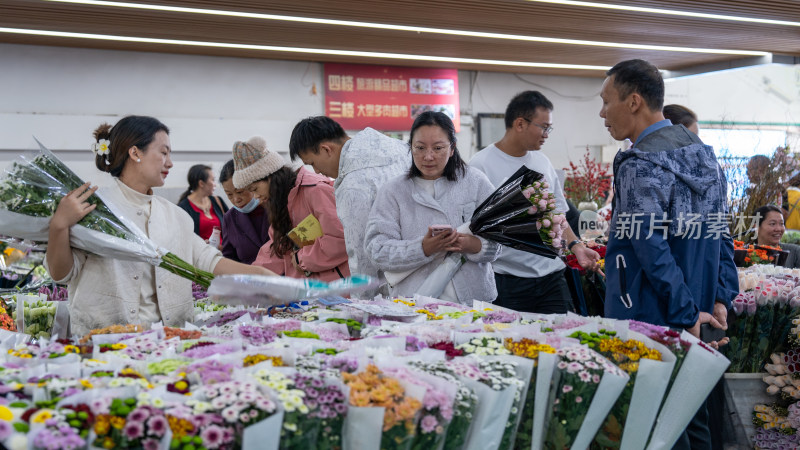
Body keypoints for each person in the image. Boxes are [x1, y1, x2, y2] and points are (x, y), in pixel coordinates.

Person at [598, 59, 739, 450]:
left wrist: (683, 312)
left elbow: (649, 247)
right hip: (697, 311)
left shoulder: (638, 164)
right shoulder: (706, 156)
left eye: (606, 101)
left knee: (653, 425)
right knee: (690, 418)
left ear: (634, 102)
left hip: (647, 311)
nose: (601, 113)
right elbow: (720, 233)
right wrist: (721, 297)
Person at [44, 115, 273, 336]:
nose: (170, 163)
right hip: (106, 343)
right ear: (135, 152)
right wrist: (59, 226)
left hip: (169, 343)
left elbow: (208, 260)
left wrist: (261, 276)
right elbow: (61, 273)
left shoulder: (175, 215)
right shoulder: (94, 208)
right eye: (163, 153)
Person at [469, 90, 601, 313]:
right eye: (544, 127)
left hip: (552, 276)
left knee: (564, 339)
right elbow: (473, 226)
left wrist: (576, 246)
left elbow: (558, 212)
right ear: (520, 123)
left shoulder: (542, 162)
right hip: (506, 281)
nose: (547, 134)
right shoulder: (479, 165)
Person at [365, 111, 501, 303]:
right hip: (413, 302)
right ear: (410, 147)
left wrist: (471, 244)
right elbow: (376, 250)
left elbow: (498, 243)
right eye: (419, 148)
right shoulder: (393, 191)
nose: (428, 156)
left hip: (474, 302)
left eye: (438, 148)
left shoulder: (476, 182)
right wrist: (423, 248)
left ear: (452, 148)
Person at [289, 116, 409, 291]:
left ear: (326, 149)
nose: (317, 172)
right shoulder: (398, 147)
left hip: (397, 282)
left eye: (313, 163)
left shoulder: (353, 185)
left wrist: (363, 304)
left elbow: (361, 254)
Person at [232, 136, 350, 281]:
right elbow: (277, 250)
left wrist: (302, 259)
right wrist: (251, 276)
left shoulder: (315, 190)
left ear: (271, 177)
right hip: (308, 292)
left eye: (255, 189)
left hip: (337, 289)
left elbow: (340, 239)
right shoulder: (281, 203)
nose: (256, 196)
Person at [218, 160, 270, 264]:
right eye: (229, 195)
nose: (236, 199)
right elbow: (229, 258)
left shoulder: (275, 207)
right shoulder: (230, 218)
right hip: (248, 278)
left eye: (239, 192)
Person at [177, 164, 228, 241]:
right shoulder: (183, 207)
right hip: (202, 252)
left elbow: (232, 225)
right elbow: (183, 238)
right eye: (213, 180)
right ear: (201, 183)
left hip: (224, 252)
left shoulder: (217, 201)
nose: (215, 184)